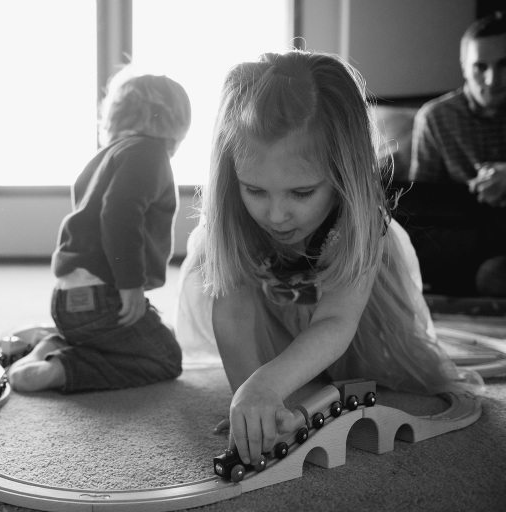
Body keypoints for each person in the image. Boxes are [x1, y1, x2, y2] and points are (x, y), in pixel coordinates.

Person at [176, 50, 483, 470]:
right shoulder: (231, 216)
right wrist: (251, 394)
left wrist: (270, 381)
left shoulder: (359, 216)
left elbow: (335, 321)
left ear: (343, 172)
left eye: (301, 193)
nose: (276, 215)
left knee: (376, 369)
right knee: (274, 378)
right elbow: (234, 317)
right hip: (273, 300)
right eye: (255, 190)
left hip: (345, 306)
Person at [8, 66, 191, 393]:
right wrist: (130, 282)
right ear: (168, 123)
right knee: (166, 356)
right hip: (103, 298)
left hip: (67, 302)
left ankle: (54, 345)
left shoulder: (104, 158)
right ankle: (64, 369)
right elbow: (119, 214)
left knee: (148, 334)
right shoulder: (149, 153)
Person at [409, 12, 506, 296]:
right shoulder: (436, 118)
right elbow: (422, 209)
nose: (492, 79)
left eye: (504, 65)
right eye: (480, 67)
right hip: (467, 244)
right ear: (464, 67)